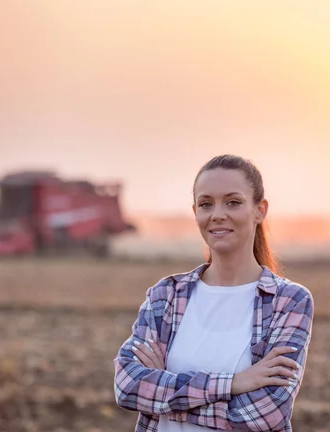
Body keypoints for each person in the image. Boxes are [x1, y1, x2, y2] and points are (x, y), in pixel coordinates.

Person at [113, 154, 314, 432]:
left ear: (260, 210)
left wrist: (164, 395)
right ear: (195, 211)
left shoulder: (289, 301)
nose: (218, 214)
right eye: (206, 204)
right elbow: (128, 386)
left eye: (233, 202)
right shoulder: (166, 295)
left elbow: (267, 413)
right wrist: (233, 383)